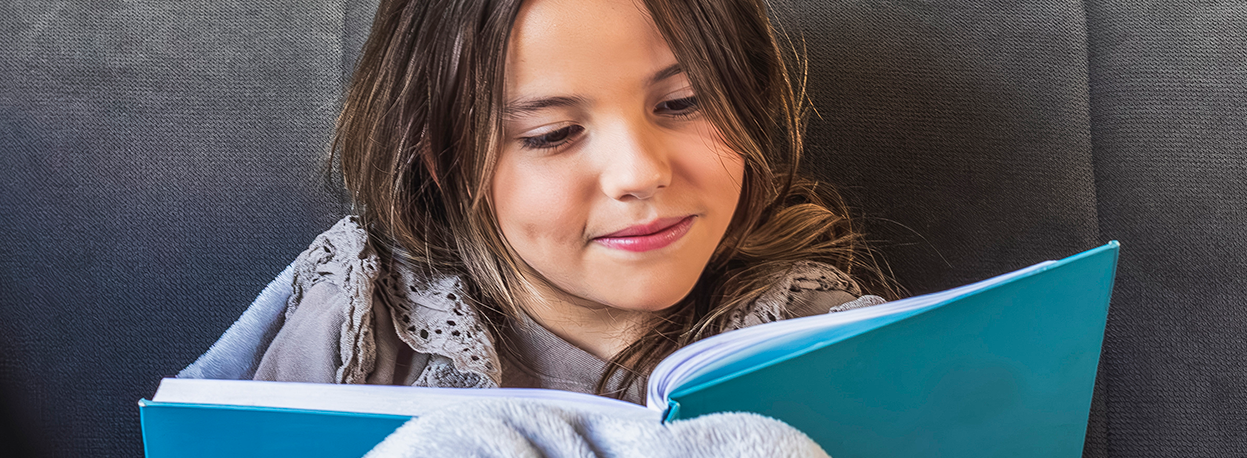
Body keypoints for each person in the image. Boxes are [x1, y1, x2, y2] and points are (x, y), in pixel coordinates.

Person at [217, 0, 897, 406]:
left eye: (684, 103)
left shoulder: (819, 336)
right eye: (552, 135)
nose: (639, 173)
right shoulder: (361, 335)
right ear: (444, 163)